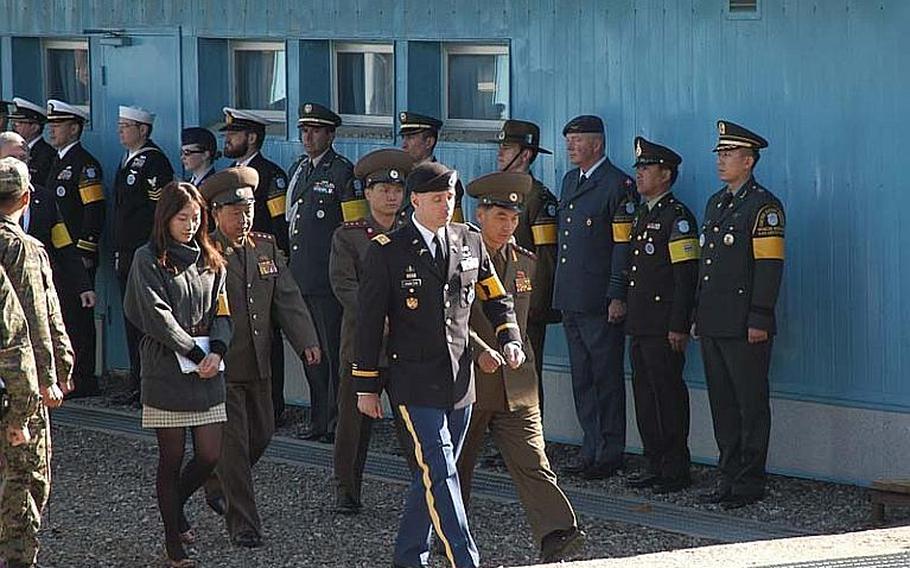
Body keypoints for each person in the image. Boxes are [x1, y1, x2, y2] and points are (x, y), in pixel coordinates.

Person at [354, 162, 524, 568]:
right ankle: (464, 559)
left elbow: (494, 296)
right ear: (415, 201)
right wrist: (366, 384)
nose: (446, 206)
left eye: (450, 198)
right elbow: (369, 322)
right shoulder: (388, 251)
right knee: (442, 472)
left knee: (432, 475)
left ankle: (409, 558)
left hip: (460, 380)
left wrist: (509, 337)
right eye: (437, 199)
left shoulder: (470, 241)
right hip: (413, 382)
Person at [457, 171, 584, 564]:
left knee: (533, 459)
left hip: (517, 382)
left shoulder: (525, 261)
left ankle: (558, 532)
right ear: (480, 215)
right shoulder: (460, 258)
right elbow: (453, 320)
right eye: (500, 217)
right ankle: (444, 534)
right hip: (471, 379)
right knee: (457, 466)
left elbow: (529, 321)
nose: (507, 225)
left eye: (513, 218)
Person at [200, 167, 321, 547]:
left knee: (263, 434)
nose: (244, 217)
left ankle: (214, 476)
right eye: (235, 211)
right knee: (235, 447)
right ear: (216, 214)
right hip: (223, 366)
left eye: (249, 209)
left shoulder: (265, 247)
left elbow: (287, 298)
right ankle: (244, 525)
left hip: (260, 362)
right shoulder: (206, 253)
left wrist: (307, 342)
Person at [123, 181, 231, 567]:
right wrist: (190, 349)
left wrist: (216, 351)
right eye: (181, 217)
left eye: (195, 217)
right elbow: (154, 316)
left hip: (207, 370)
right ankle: (173, 539)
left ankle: (176, 507)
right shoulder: (147, 258)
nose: (189, 225)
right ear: (165, 218)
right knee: (171, 457)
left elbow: (223, 312)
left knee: (209, 455)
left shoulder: (210, 258)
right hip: (167, 370)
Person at [694, 120, 785, 510]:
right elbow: (707, 267)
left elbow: (768, 267)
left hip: (744, 323)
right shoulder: (718, 202)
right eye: (720, 154)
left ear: (748, 161)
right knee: (723, 404)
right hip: (715, 320)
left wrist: (760, 317)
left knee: (749, 402)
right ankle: (728, 474)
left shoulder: (764, 207)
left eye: (728, 155)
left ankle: (749, 480)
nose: (721, 161)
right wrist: (698, 314)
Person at [330, 148, 416, 514]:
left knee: (414, 423)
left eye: (397, 190)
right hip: (362, 344)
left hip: (407, 345)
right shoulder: (349, 236)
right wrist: (376, 317)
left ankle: (427, 489)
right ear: (367, 193)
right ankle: (347, 491)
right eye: (383, 190)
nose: (391, 196)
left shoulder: (414, 234)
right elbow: (343, 284)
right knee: (352, 424)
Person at [552, 114, 637, 479]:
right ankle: (591, 445)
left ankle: (610, 451)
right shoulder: (572, 180)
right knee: (582, 377)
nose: (571, 146)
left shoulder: (617, 184)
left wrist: (617, 294)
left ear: (597, 144)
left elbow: (622, 247)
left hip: (599, 298)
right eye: (569, 139)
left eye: (578, 140)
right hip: (572, 294)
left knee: (605, 377)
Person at [0, 156, 74, 568]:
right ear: (25, 198)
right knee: (25, 483)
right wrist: (53, 375)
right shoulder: (22, 248)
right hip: (18, 384)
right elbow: (35, 319)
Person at [624, 136, 699, 494]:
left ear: (666, 174)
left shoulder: (678, 218)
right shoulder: (643, 214)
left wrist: (678, 325)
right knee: (644, 394)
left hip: (663, 325)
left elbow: (685, 278)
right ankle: (654, 461)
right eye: (638, 168)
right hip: (640, 323)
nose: (639, 174)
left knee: (666, 395)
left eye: (646, 168)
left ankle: (674, 467)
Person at [286, 102, 360, 442]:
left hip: (328, 278)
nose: (308, 136)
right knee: (310, 352)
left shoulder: (343, 172)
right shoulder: (299, 169)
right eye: (304, 130)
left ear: (330, 135)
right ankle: (318, 419)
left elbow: (354, 228)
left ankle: (334, 421)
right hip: (301, 276)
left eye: (315, 130)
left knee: (331, 352)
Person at [221, 107, 291, 425]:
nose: (228, 139)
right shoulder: (229, 175)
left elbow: (279, 225)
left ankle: (272, 406)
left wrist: (277, 266)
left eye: (234, 134)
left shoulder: (270, 174)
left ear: (251, 137)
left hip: (263, 265)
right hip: (232, 265)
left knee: (267, 337)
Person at [493, 119, 560, 411]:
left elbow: (545, 257)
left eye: (507, 148)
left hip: (525, 301)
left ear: (526, 154)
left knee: (526, 374)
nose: (500, 153)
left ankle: (530, 444)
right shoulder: (495, 193)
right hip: (496, 298)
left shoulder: (538, 198)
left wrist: (537, 302)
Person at [114, 105, 175, 404]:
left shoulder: (154, 162)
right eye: (120, 125)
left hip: (143, 249)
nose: (120, 130)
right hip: (125, 249)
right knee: (129, 316)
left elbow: (157, 209)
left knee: (143, 317)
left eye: (127, 125)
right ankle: (136, 381)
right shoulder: (127, 160)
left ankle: (147, 383)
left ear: (143, 130)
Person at [0, 133, 94, 323]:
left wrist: (83, 285)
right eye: (12, 158)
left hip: (33, 291)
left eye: (23, 158)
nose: (20, 163)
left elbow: (63, 245)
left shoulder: (45, 199)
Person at [45, 99, 104, 398]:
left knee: (79, 319)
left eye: (58, 126)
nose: (52, 131)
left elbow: (93, 210)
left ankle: (84, 377)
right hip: (59, 256)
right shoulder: (58, 160)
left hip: (77, 256)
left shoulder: (84, 164)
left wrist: (85, 250)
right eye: (51, 125)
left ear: (74, 128)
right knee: (63, 316)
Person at [396, 111, 465, 224]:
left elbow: (454, 227)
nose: (404, 145)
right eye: (404, 138)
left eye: (410, 138)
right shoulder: (398, 176)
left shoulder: (445, 180)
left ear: (429, 142)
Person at [9, 97, 56, 187]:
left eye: (19, 123)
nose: (14, 127)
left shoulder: (47, 154)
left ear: (34, 127)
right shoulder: (13, 150)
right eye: (13, 122)